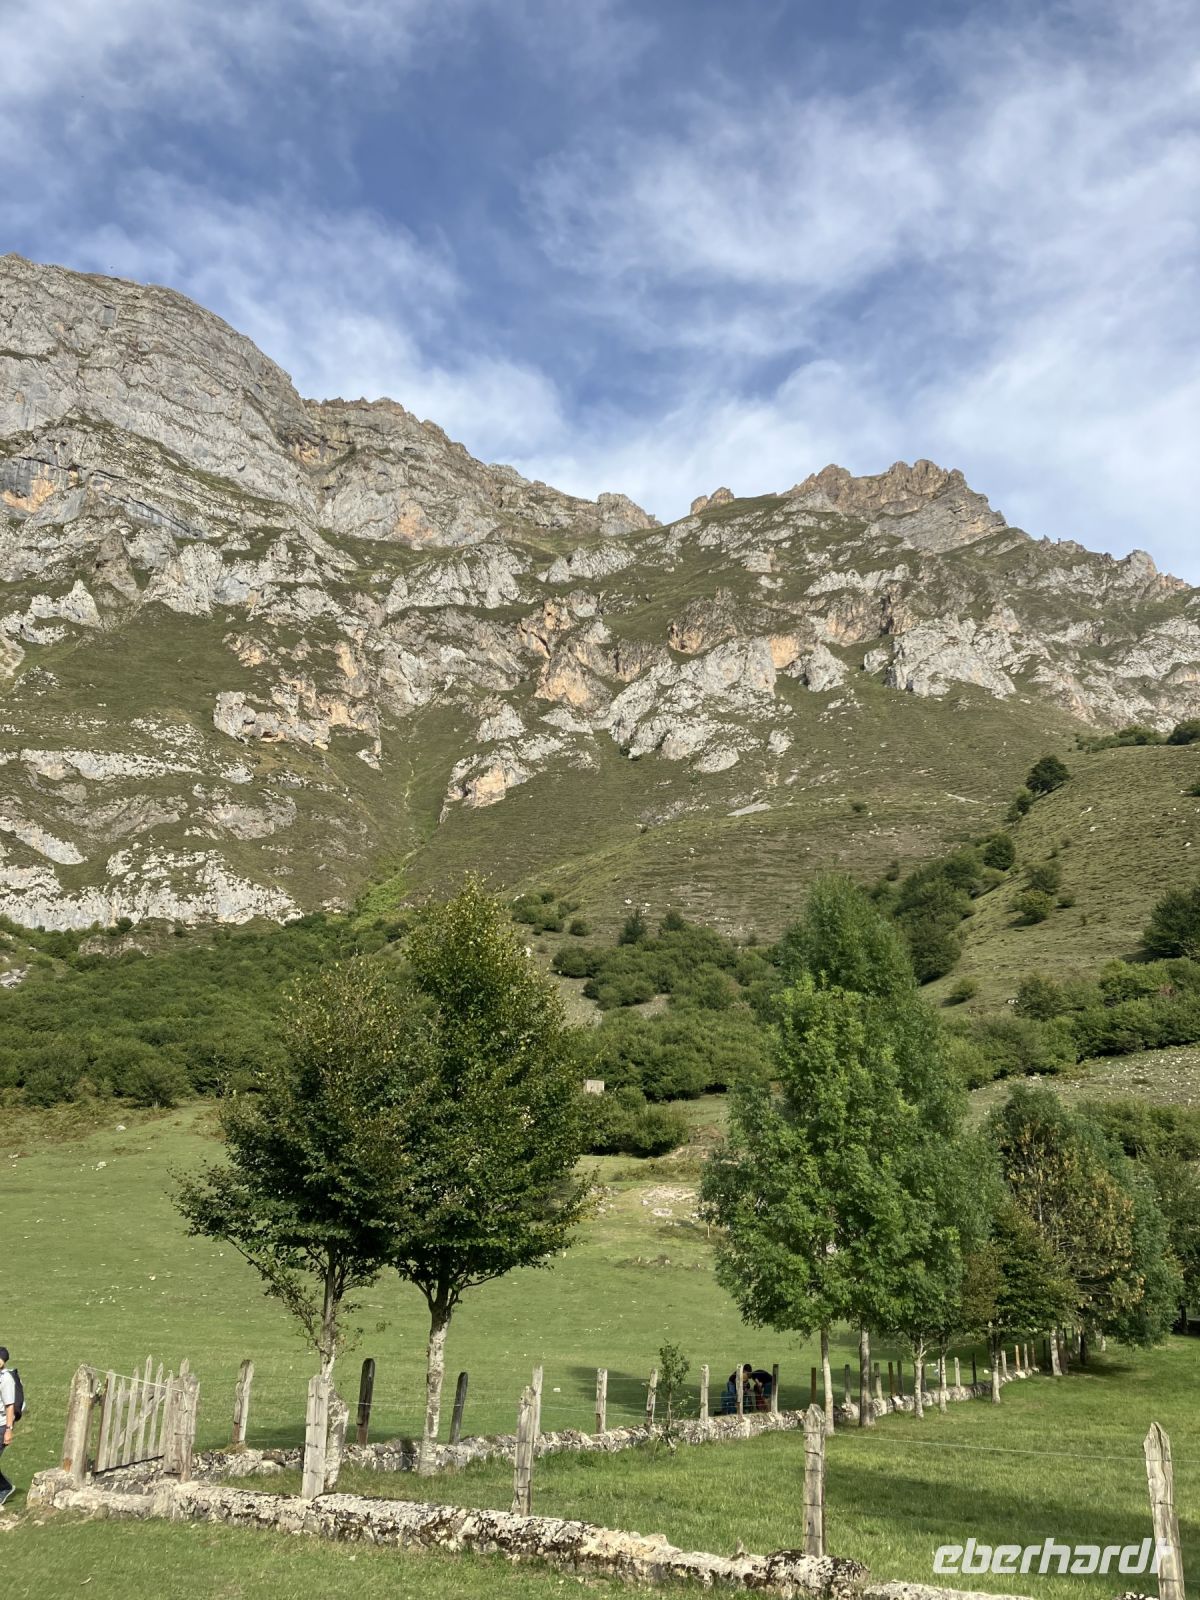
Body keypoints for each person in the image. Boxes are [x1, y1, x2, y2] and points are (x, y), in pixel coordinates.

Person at [0, 1347, 15, 1508]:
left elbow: (10, 1406)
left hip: (1, 1425)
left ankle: (5, 1487)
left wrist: (8, 1430)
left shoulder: (6, 1379)